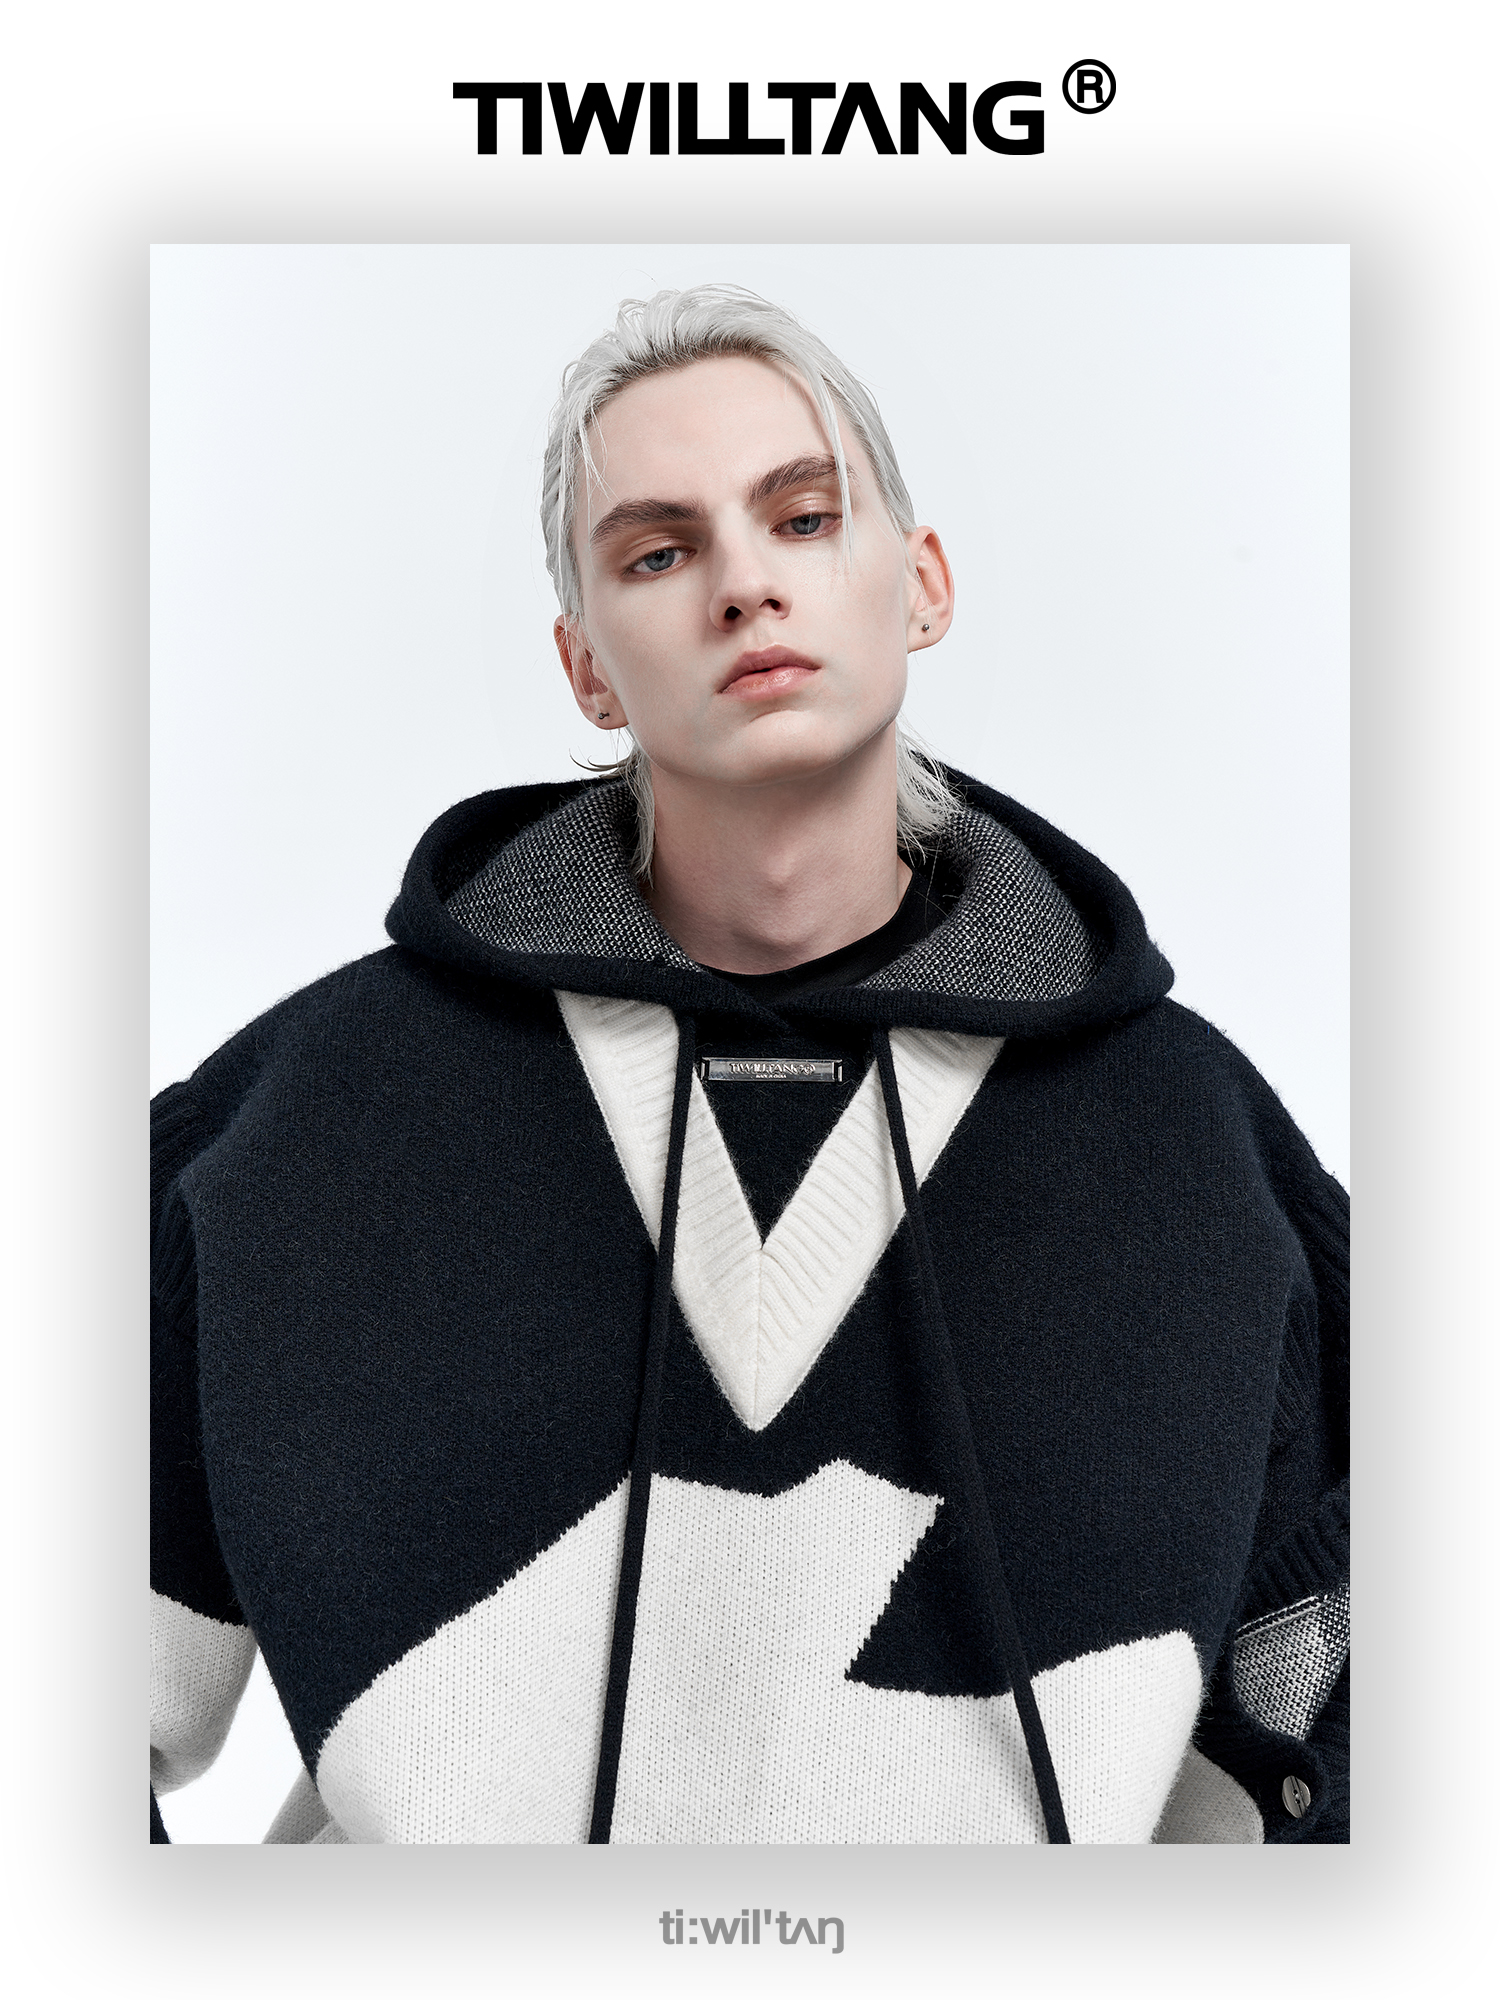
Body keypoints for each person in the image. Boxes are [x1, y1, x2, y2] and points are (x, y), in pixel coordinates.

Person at [151, 285, 1348, 1845]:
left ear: (922, 585)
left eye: (803, 517)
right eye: (659, 552)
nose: (743, 584)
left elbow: (1346, 1713)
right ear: (586, 666)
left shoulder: (1198, 1150)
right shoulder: (287, 1133)